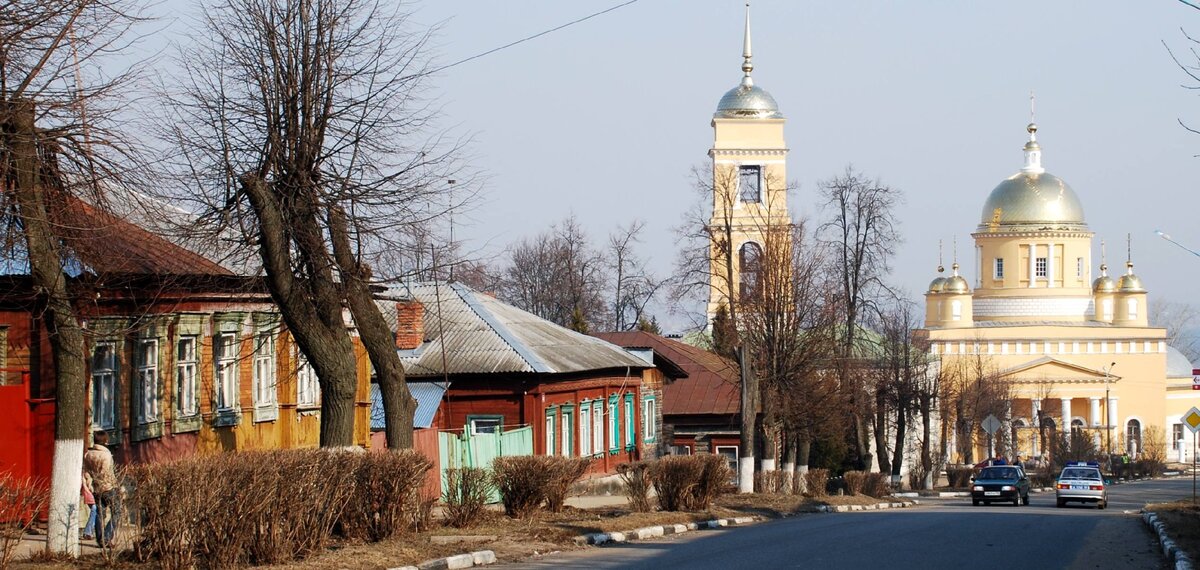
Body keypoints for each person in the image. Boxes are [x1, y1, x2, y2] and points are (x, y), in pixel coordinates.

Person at [83, 430, 119, 548]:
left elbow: (86, 472)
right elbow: (106, 473)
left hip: (96, 488)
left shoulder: (88, 454)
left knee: (100, 513)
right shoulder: (106, 455)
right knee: (117, 511)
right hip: (108, 487)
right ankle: (107, 537)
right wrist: (115, 485)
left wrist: (91, 484)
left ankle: (100, 540)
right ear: (105, 440)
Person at [80, 471, 97, 541]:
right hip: (90, 495)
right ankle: (88, 532)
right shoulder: (88, 473)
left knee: (95, 512)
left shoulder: (84, 473)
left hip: (88, 494)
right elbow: (90, 487)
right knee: (95, 511)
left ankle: (89, 532)